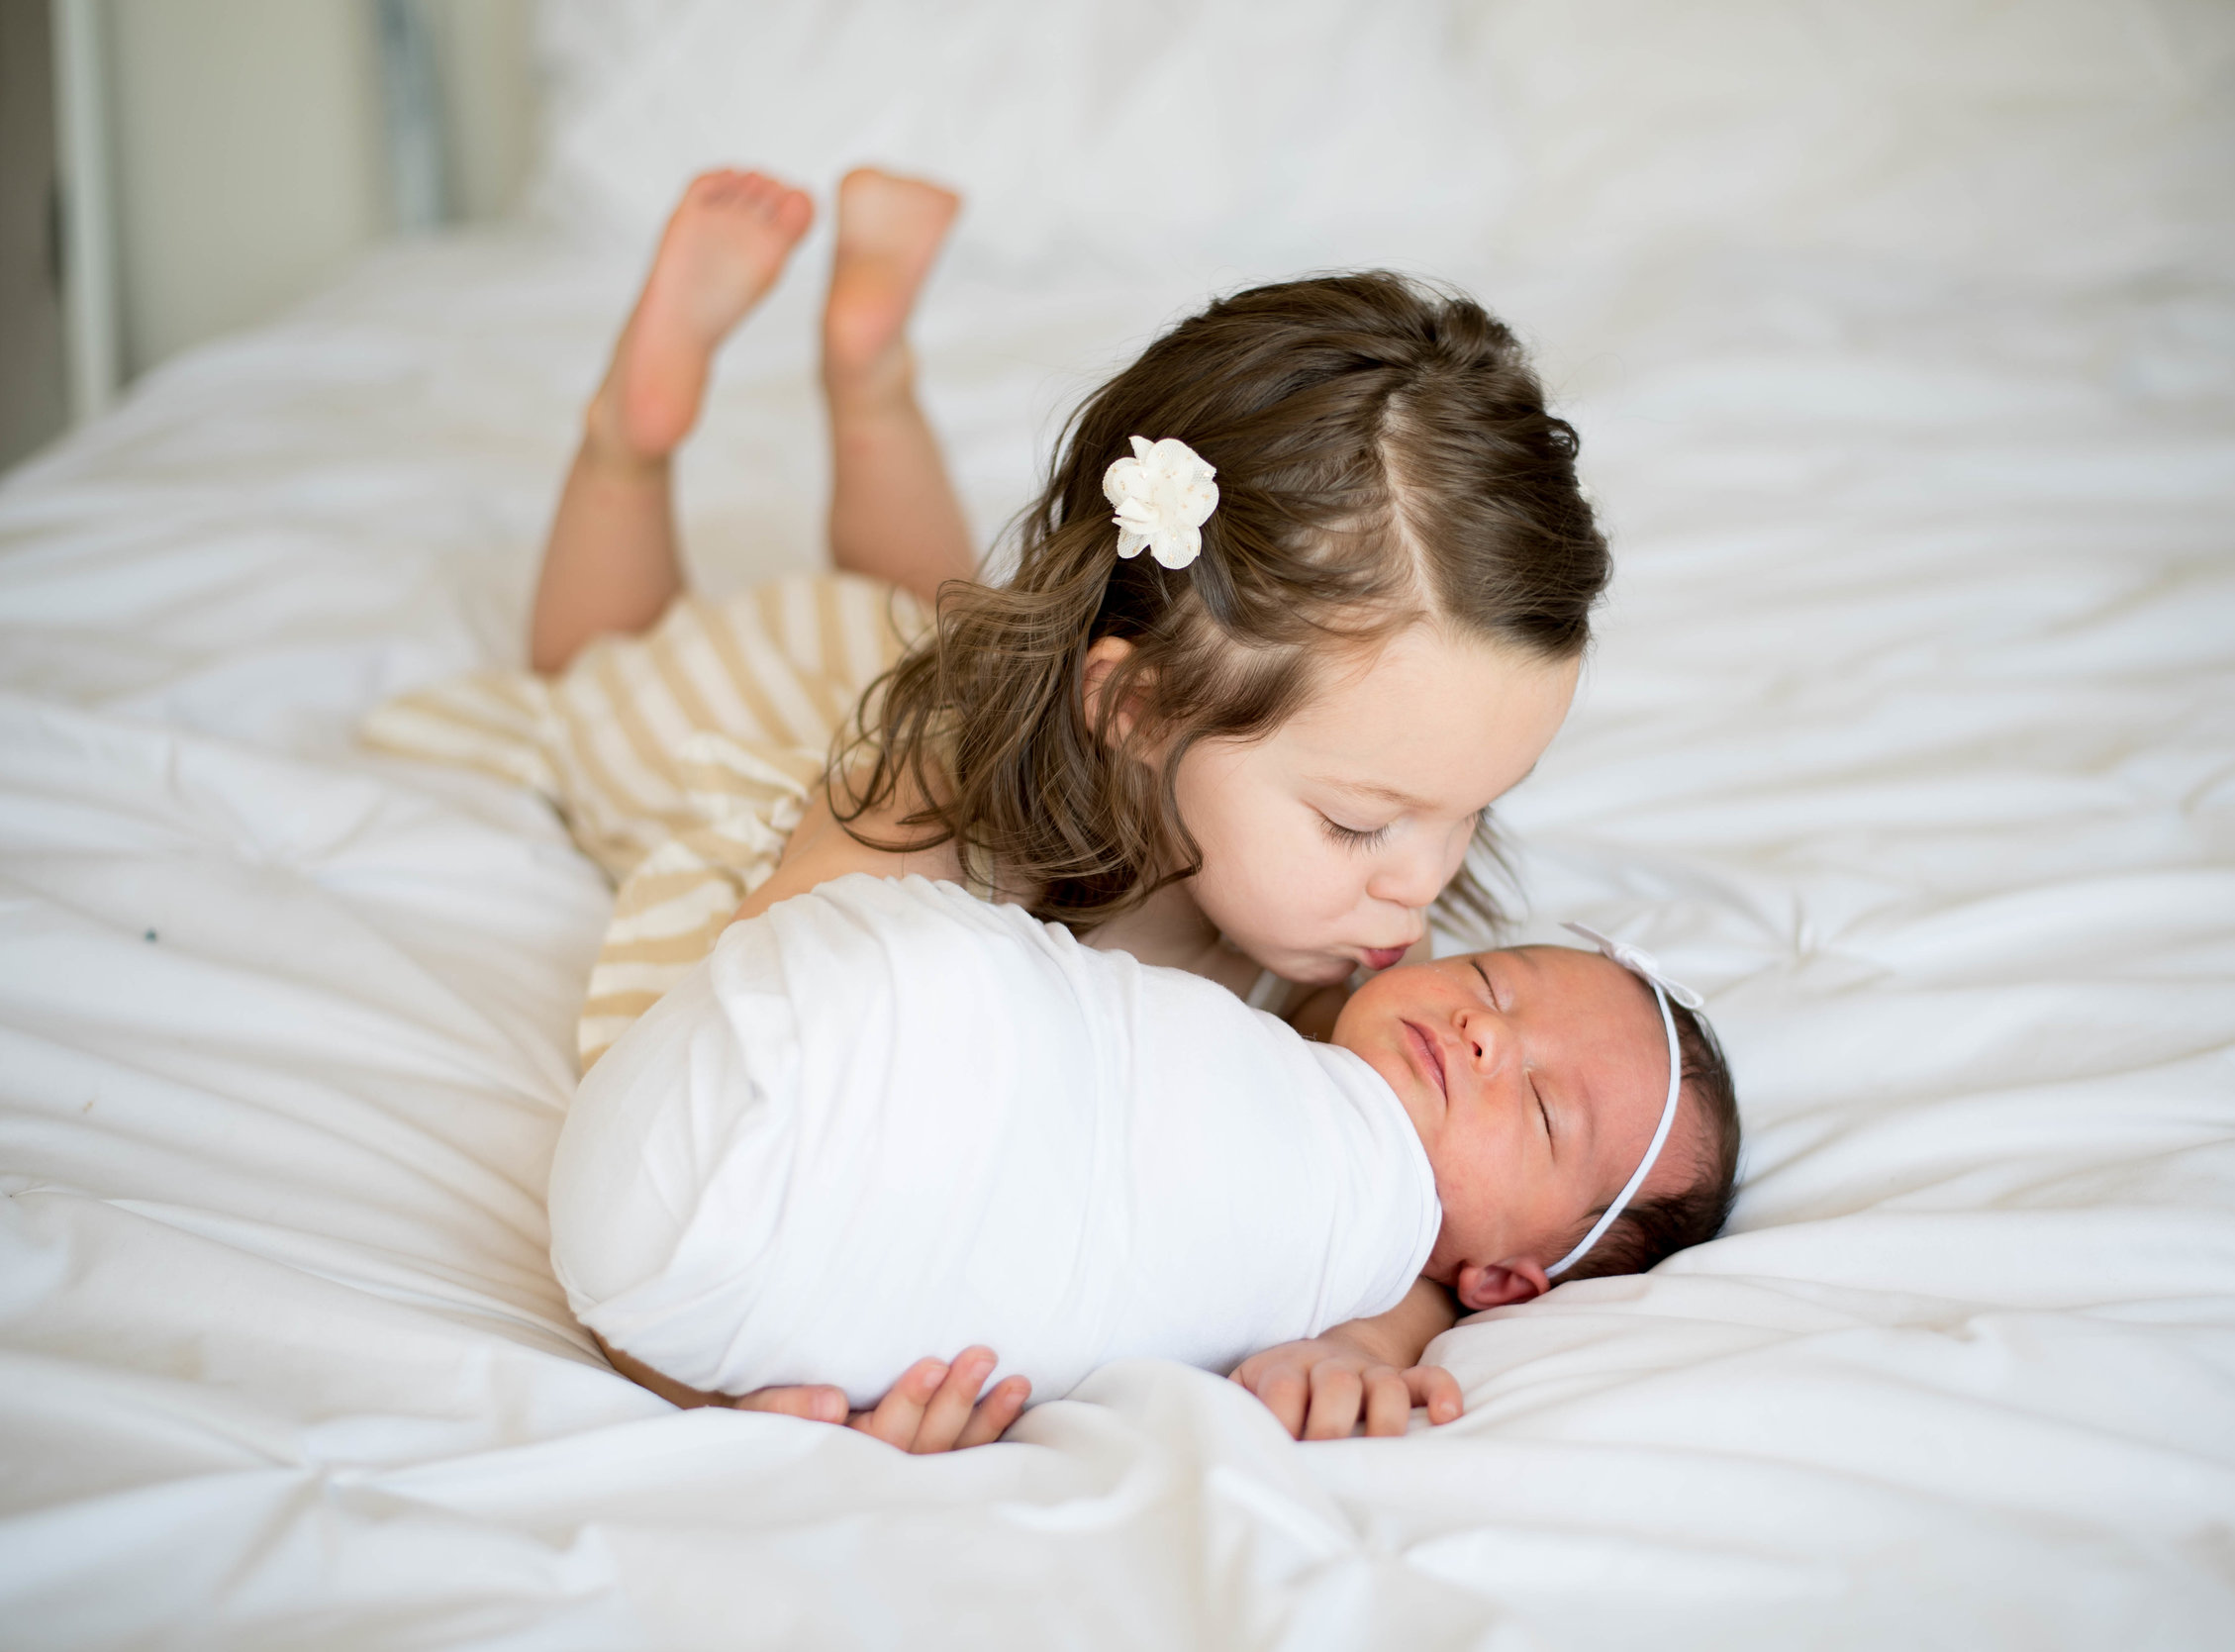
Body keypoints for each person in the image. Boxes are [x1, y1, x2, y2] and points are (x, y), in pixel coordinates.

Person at [379, 163, 1667, 1450]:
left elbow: (1424, 1231)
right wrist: (724, 1388)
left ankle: (868, 368)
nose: (1419, 888)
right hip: (792, 729)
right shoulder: (905, 833)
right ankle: (636, 433)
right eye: (1360, 821)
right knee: (609, 683)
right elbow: (694, 1142)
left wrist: (1351, 1340)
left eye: (1472, 812)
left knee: (943, 608)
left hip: (1001, 674)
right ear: (1139, 709)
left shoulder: (1364, 945)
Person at [548, 874, 1739, 1421]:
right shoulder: (1302, 954)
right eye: (1494, 983)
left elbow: (1390, 1310)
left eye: (1538, 1110)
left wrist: (1354, 1358)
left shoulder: (1379, 1264)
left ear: (1505, 1279)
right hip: (803, 950)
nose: (1485, 1033)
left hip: (745, 1194)